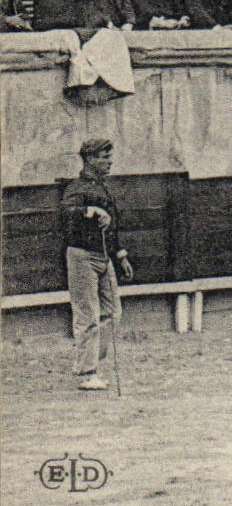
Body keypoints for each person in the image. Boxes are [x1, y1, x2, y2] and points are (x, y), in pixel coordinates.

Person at [60, 138, 132, 391]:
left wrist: (120, 255)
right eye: (103, 157)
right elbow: (66, 212)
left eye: (109, 156)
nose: (109, 161)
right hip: (82, 256)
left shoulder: (104, 188)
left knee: (114, 313)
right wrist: (89, 210)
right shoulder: (76, 187)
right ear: (89, 159)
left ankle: (92, 364)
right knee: (87, 314)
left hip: (104, 256)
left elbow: (111, 227)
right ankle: (86, 373)